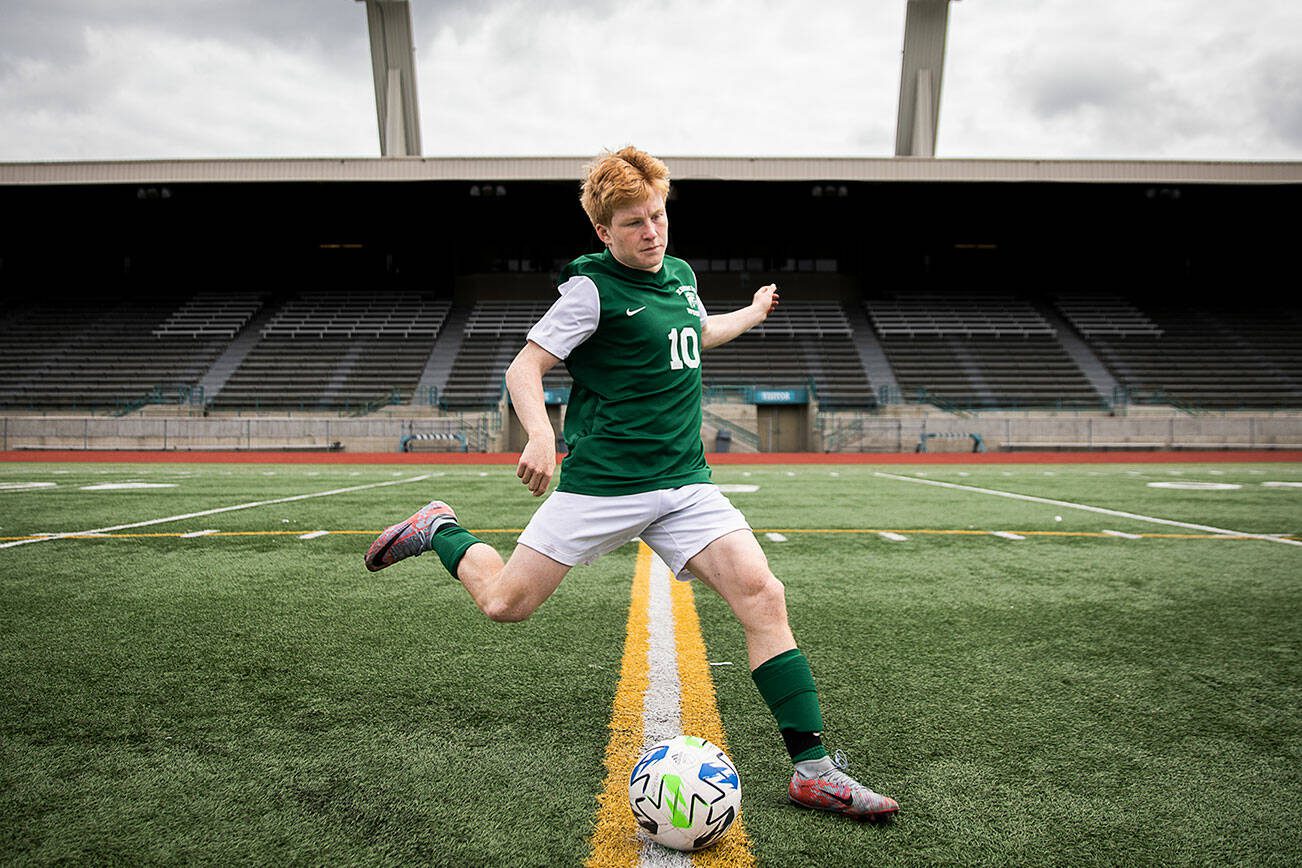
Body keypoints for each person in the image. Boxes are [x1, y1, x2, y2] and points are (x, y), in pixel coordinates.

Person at [365, 146, 898, 821]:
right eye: (635, 223)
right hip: (603, 485)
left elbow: (698, 334)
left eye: (658, 215)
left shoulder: (677, 275)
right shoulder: (589, 292)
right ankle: (439, 528)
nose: (652, 232)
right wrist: (538, 436)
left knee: (764, 595)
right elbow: (523, 370)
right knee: (504, 605)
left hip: (684, 485)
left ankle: (813, 771)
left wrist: (754, 313)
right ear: (603, 232)